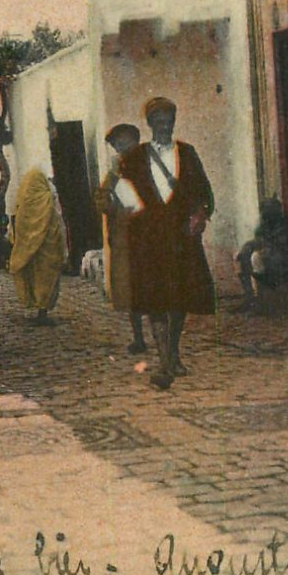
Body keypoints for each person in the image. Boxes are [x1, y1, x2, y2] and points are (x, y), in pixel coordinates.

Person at [120, 98, 215, 390]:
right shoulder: (133, 158)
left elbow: (205, 193)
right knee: (154, 299)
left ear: (174, 121)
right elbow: (123, 199)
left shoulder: (187, 153)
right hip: (148, 242)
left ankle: (172, 352)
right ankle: (163, 363)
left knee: (180, 298)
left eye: (169, 119)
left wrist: (201, 214)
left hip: (180, 240)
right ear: (149, 123)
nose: (165, 125)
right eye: (159, 120)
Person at [96, 123, 147, 355]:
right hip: (125, 238)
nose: (121, 149)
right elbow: (102, 202)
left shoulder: (151, 166)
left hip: (151, 236)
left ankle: (166, 339)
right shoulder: (114, 175)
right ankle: (139, 337)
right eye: (118, 146)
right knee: (131, 288)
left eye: (125, 144)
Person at [9, 168, 67, 325]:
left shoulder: (22, 204)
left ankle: (31, 308)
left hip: (27, 251)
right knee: (46, 279)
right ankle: (43, 312)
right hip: (48, 249)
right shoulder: (48, 198)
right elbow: (58, 221)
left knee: (31, 276)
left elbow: (16, 228)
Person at [235, 196, 288, 312]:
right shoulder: (263, 226)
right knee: (243, 257)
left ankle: (263, 303)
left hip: (285, 264)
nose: (264, 215)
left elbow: (286, 250)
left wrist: (265, 250)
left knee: (257, 259)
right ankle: (250, 298)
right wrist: (245, 250)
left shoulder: (284, 227)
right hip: (269, 260)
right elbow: (259, 241)